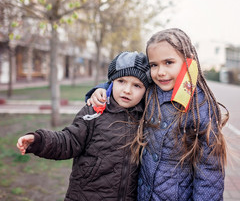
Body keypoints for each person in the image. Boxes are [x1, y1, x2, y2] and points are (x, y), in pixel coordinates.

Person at [86, 28, 229, 201]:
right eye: (154, 65)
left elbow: (209, 172)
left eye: (168, 62)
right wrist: (103, 89)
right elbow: (126, 81)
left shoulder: (200, 106)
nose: (160, 71)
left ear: (187, 61)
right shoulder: (150, 91)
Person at [16, 51, 152, 201]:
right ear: (111, 82)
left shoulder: (146, 118)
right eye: (121, 81)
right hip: (86, 195)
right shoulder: (94, 111)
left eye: (137, 85)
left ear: (146, 90)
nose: (127, 90)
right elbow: (69, 140)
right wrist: (40, 141)